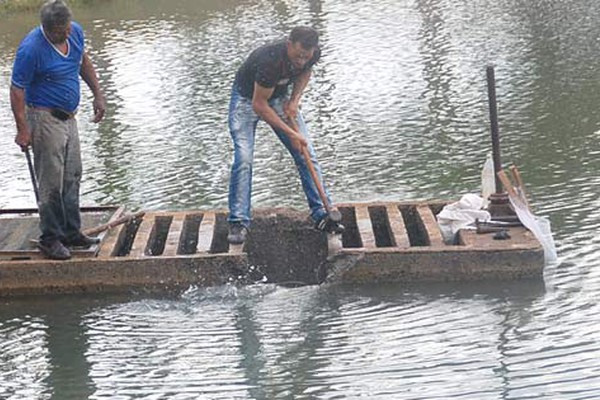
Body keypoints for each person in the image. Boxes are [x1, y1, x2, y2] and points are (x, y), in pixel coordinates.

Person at [227, 26, 344, 244]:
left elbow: (305, 72)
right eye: (298, 55)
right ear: (289, 44)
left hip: (280, 98)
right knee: (244, 159)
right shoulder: (269, 61)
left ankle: (322, 213)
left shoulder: (311, 54)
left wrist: (294, 100)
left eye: (306, 56)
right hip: (247, 100)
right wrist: (292, 133)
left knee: (305, 152)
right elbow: (259, 106)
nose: (301, 60)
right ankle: (238, 222)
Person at [10, 0, 106, 260]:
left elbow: (83, 61)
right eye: (61, 31)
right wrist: (23, 129)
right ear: (48, 28)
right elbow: (17, 90)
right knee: (51, 181)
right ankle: (50, 237)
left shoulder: (74, 31)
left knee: (73, 174)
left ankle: (71, 231)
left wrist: (98, 94)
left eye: (67, 28)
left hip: (69, 118)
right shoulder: (31, 49)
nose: (67, 33)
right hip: (43, 118)